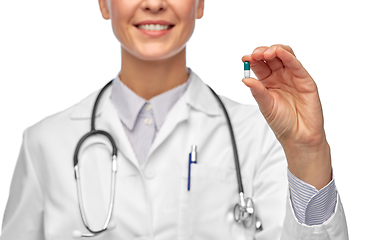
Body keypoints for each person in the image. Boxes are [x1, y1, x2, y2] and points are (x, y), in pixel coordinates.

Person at [1, 0, 348, 239]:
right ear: (104, 3)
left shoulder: (260, 137)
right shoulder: (44, 143)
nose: (154, 2)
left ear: (200, 3)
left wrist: (308, 151)